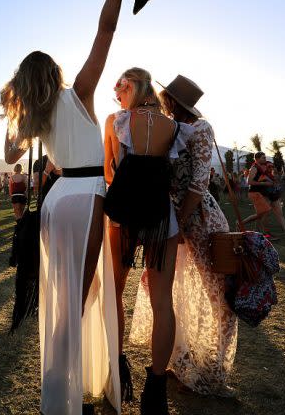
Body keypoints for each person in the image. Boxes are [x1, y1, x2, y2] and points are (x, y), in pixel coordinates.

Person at [0, 0, 153, 414]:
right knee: (81, 295)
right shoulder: (77, 94)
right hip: (88, 195)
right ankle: (65, 391)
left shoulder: (33, 115)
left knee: (62, 296)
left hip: (56, 199)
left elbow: (8, 157)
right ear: (56, 73)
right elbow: (106, 32)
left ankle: (71, 384)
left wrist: (12, 111)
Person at [127, 76, 238, 397]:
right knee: (167, 292)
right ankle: (179, 359)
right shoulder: (167, 127)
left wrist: (178, 219)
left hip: (197, 218)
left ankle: (214, 370)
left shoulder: (200, 129)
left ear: (172, 101)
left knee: (218, 295)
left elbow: (199, 182)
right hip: (168, 220)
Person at [104, 69, 191, 406]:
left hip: (124, 211)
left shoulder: (116, 121)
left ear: (134, 87)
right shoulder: (174, 127)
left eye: (120, 86)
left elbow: (109, 169)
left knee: (115, 289)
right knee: (162, 300)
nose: (117, 92)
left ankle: (117, 366)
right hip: (160, 213)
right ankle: (155, 388)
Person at [242, 152, 274, 235]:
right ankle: (267, 234)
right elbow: (249, 182)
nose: (265, 159)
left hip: (258, 193)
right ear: (257, 159)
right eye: (263, 157)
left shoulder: (260, 168)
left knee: (260, 215)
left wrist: (269, 181)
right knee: (266, 211)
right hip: (254, 193)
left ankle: (241, 224)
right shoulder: (254, 168)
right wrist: (264, 183)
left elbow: (263, 178)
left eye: (265, 157)